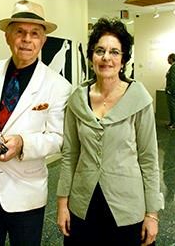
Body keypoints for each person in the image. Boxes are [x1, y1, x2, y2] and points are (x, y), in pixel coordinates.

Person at [0, 0, 71, 246]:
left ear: (43, 40)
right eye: (19, 32)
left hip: (27, 193)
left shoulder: (58, 86)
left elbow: (57, 137)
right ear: (7, 37)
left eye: (34, 34)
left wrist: (22, 143)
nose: (26, 39)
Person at [56, 18, 163, 245]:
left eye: (115, 52)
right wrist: (62, 204)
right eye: (100, 51)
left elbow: (149, 159)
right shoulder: (77, 99)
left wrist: (152, 214)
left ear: (123, 60)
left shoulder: (138, 99)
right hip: (83, 204)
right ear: (91, 57)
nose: (107, 58)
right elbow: (70, 155)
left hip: (126, 206)